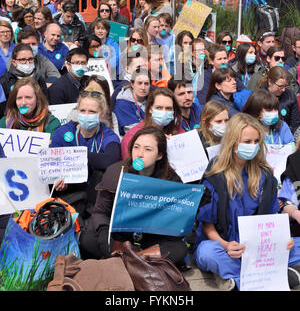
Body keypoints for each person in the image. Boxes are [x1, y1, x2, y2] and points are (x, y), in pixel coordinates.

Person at [193, 112, 299, 291]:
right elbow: (207, 226)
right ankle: (265, 277)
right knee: (206, 253)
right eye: (247, 142)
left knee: (295, 245)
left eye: (257, 142)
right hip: (227, 247)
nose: (253, 146)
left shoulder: (265, 174)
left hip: (261, 248)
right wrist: (226, 245)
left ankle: (235, 278)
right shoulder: (215, 175)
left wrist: (283, 239)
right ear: (233, 143)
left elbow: (273, 217)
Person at [79, 126, 187, 265]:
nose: (140, 154)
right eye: (136, 147)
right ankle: (134, 260)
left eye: (148, 149)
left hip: (152, 240)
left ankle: (131, 259)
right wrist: (105, 239)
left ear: (159, 155)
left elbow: (177, 224)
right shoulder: (115, 172)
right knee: (87, 240)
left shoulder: (171, 179)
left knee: (179, 249)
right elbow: (100, 212)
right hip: (120, 239)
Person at [50, 89, 121, 214]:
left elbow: (111, 159)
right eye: (82, 110)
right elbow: (50, 165)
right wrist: (57, 179)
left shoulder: (108, 135)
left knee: (101, 172)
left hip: (95, 195)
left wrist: (75, 156)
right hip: (68, 193)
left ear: (102, 114)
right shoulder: (63, 132)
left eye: (92, 111)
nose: (86, 115)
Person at [120, 87, 184, 159]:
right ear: (150, 109)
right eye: (159, 108)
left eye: (168, 108)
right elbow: (131, 167)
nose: (164, 112)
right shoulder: (133, 136)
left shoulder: (178, 132)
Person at [0, 43, 49, 117]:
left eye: (30, 59)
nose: (27, 63)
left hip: (39, 120)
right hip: (13, 122)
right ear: (14, 62)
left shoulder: (39, 78)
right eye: (23, 60)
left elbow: (46, 102)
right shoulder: (4, 81)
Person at [257, 66, 300, 135]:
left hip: (286, 135)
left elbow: (295, 123)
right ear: (270, 82)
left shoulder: (290, 96)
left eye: (286, 86)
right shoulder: (259, 96)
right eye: (280, 86)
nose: (283, 90)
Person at [114, 68, 151, 136]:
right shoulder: (122, 104)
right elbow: (135, 133)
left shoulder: (152, 100)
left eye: (146, 84)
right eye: (139, 83)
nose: (143, 87)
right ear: (132, 84)